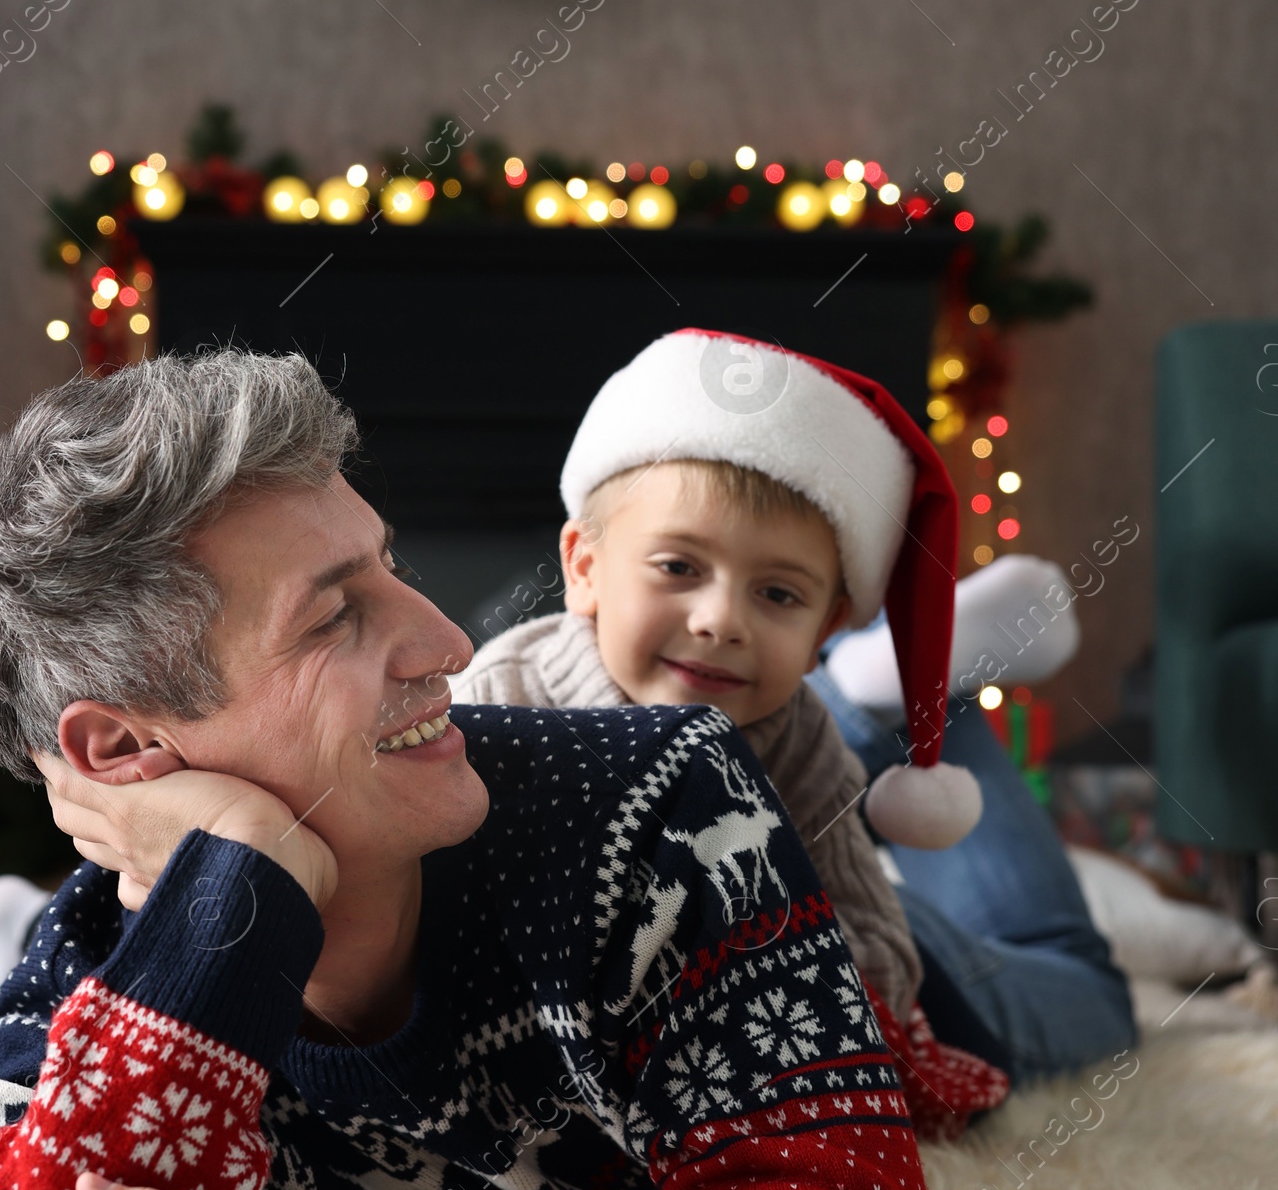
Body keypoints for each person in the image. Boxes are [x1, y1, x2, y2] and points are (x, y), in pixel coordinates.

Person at [0, 349, 945, 1190]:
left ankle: (940, 747)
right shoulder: (99, 974)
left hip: (864, 947)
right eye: (335, 617)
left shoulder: (663, 794)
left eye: (390, 565)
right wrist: (243, 880)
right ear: (130, 748)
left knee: (1019, 959)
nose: (448, 643)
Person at [456, 329, 1136, 1096]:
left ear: (825, 625)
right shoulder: (500, 699)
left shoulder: (796, 737)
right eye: (678, 567)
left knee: (1095, 998)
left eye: (777, 593)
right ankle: (894, 690)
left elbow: (877, 947)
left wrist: (776, 966)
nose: (719, 619)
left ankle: (903, 689)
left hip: (896, 988)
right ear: (583, 567)